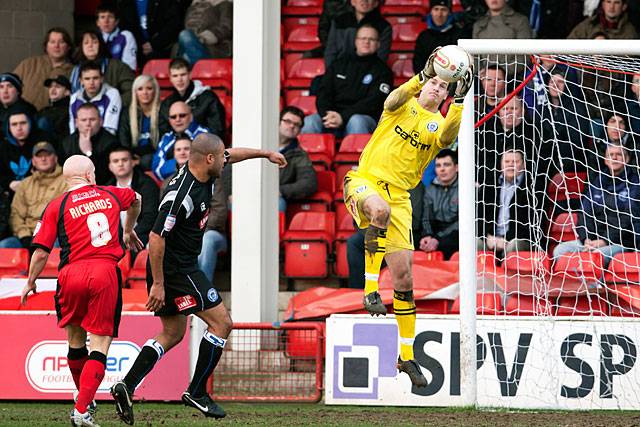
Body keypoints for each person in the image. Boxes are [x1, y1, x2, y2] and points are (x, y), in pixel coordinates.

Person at [110, 133, 286, 423]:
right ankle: (197, 391)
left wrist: (266, 153)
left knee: (172, 334)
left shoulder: (205, 167)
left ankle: (126, 386)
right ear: (208, 159)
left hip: (175, 268)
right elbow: (156, 238)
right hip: (177, 270)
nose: (225, 160)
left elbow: (231, 154)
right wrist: (159, 284)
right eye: (221, 157)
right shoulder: (181, 196)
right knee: (222, 323)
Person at [342, 48, 472, 387]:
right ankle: (370, 290)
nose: (436, 89)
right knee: (379, 211)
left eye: (443, 88)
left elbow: (445, 138)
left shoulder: (436, 123)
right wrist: (421, 76)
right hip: (366, 180)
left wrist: (459, 103)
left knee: (404, 279)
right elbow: (391, 100)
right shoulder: (402, 103)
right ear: (425, 82)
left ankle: (407, 357)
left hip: (401, 198)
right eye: (434, 84)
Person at [21, 155, 142, 427]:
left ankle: (84, 401)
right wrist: (128, 229)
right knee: (99, 345)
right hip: (104, 272)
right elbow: (137, 199)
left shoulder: (57, 205)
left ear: (67, 178)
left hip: (70, 274)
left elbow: (41, 252)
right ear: (89, 176)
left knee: (75, 342)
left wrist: (30, 281)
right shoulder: (110, 193)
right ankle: (81, 408)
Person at [553, 142, 640, 268]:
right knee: (559, 251)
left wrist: (604, 241)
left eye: (619, 155)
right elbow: (584, 214)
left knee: (596, 256)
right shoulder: (597, 183)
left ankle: (596, 287)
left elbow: (628, 219)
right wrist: (586, 239)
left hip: (620, 242)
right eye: (611, 155)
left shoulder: (635, 184)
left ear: (626, 159)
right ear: (605, 160)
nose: (614, 158)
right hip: (592, 241)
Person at [301, 25, 393, 136]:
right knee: (310, 122)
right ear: (356, 41)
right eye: (363, 38)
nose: (366, 42)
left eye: (371, 39)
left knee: (356, 121)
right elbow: (323, 92)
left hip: (365, 117)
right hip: (333, 115)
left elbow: (373, 102)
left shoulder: (383, 71)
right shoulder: (339, 64)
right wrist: (327, 114)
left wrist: (343, 117)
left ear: (378, 44)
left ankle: (358, 154)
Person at [346, 182, 424, 288]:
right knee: (354, 242)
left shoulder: (412, 183)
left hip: (403, 232)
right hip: (376, 230)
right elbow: (359, 219)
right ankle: (357, 291)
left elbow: (413, 219)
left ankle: (389, 289)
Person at [0, 142, 67, 249]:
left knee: (58, 246)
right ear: (33, 162)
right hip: (28, 235)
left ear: (56, 158)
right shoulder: (25, 184)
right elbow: (15, 214)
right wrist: (25, 236)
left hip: (54, 236)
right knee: (4, 246)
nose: (43, 159)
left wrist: (47, 236)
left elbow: (66, 214)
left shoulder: (66, 181)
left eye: (47, 155)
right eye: (39, 156)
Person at [476, 148, 535, 258]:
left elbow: (531, 223)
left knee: (514, 245)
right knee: (474, 243)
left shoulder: (533, 188)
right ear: (501, 164)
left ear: (524, 165)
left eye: (515, 162)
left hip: (516, 239)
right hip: (491, 239)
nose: (510, 165)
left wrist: (506, 239)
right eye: (507, 162)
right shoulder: (489, 185)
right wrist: (487, 236)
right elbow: (478, 216)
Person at [158, 58, 225, 138]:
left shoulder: (208, 98)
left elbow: (217, 131)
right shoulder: (167, 104)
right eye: (175, 76)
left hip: (203, 147)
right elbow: (164, 135)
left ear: (190, 75)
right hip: (177, 149)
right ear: (170, 78)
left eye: (183, 75)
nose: (179, 79)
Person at [107, 146, 159, 247]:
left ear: (133, 162)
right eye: (115, 161)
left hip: (144, 236)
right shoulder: (107, 189)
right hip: (117, 240)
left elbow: (150, 217)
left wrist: (130, 236)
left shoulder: (147, 184)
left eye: (124, 160)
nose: (120, 164)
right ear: (110, 166)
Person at [69, 30, 135, 106]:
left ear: (101, 45)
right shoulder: (75, 70)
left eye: (94, 42)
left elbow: (131, 91)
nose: (90, 45)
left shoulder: (117, 66)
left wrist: (112, 105)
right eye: (86, 43)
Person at [13, 27, 74, 110]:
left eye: (61, 42)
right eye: (52, 42)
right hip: (23, 118)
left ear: (68, 47)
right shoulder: (29, 64)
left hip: (54, 119)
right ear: (46, 46)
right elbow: (9, 86)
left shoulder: (73, 71)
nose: (56, 46)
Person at [60, 103, 120, 185]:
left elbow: (104, 176)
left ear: (101, 121)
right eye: (83, 120)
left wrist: (88, 152)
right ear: (76, 123)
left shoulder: (111, 142)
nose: (88, 124)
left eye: (92, 119)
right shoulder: (67, 142)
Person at [324, 0, 392, 68]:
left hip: (368, 72)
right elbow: (330, 52)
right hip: (340, 70)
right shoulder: (339, 21)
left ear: (376, 3)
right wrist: (332, 74)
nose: (364, 1)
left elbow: (381, 58)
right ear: (353, 2)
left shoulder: (384, 26)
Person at [0, 108, 52, 193]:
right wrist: (9, 183)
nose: (19, 128)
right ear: (8, 127)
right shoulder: (3, 147)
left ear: (30, 123)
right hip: (13, 194)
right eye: (14, 124)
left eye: (23, 123)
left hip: (42, 191)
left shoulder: (44, 141)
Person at [419, 149, 459, 260]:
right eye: (438, 165)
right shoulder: (430, 189)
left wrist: (437, 239)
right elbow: (426, 217)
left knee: (448, 243)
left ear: (456, 167)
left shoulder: (465, 187)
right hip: (436, 233)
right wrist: (427, 235)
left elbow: (461, 222)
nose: (442, 169)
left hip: (456, 233)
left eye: (446, 165)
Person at [152, 102, 208, 180]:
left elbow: (205, 164)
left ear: (191, 116)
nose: (177, 119)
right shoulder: (167, 138)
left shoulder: (204, 135)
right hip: (173, 183)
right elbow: (157, 170)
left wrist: (179, 162)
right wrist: (178, 163)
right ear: (169, 120)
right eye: (173, 117)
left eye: (182, 115)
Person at [117, 0, 182, 65]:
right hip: (135, 49)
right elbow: (124, 29)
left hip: (162, 48)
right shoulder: (124, 3)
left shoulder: (165, 2)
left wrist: (154, 44)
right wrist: (140, 46)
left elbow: (173, 24)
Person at [118, 74, 162, 170]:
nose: (145, 92)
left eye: (149, 88)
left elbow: (164, 141)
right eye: (140, 89)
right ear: (135, 92)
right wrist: (132, 157)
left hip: (157, 158)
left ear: (155, 91)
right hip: (132, 159)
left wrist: (141, 159)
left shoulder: (163, 112)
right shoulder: (126, 113)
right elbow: (123, 141)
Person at [69, 61, 122, 135]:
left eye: (95, 78)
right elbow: (73, 129)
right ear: (81, 81)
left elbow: (110, 130)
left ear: (102, 79)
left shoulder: (112, 94)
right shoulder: (74, 98)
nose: (91, 82)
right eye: (87, 79)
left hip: (104, 142)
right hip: (80, 141)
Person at [412, 0, 464, 74]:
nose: (439, 14)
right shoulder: (423, 37)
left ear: (449, 13)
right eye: (436, 9)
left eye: (443, 10)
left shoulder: (459, 35)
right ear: (431, 12)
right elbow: (418, 65)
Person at [96, 2, 138, 71]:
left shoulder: (125, 36)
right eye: (102, 17)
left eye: (110, 17)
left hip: (120, 77)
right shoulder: (93, 38)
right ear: (97, 22)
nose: (106, 21)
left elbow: (129, 68)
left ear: (116, 21)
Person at [568, 0, 637, 39]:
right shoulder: (588, 25)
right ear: (603, 5)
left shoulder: (629, 31)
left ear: (624, 7)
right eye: (608, 1)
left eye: (616, 3)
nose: (611, 7)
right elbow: (569, 45)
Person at [37, 75, 72, 141]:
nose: (53, 89)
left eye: (57, 87)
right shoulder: (44, 110)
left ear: (67, 92)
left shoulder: (69, 112)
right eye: (50, 87)